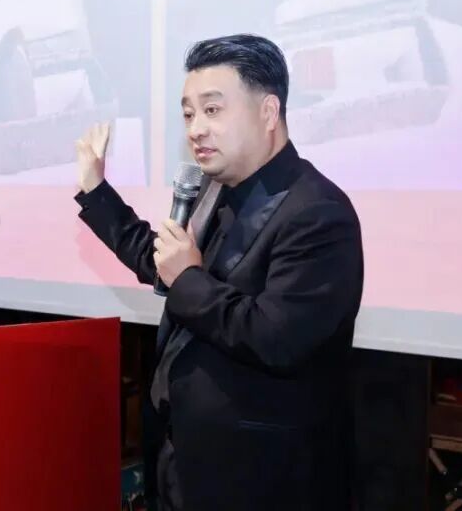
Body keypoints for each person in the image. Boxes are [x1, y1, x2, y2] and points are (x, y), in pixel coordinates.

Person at [74, 34, 363, 510]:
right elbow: (166, 262)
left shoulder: (318, 212)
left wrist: (188, 277)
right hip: (185, 464)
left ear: (268, 112)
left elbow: (276, 338)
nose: (196, 129)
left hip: (261, 481)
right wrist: (96, 192)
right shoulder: (213, 190)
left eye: (212, 110)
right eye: (189, 114)